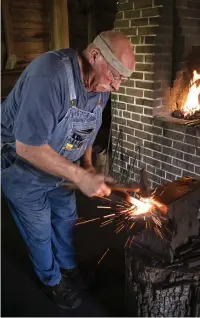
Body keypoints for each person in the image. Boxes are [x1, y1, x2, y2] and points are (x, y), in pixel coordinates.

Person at [1, 30, 135, 309]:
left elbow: (87, 129)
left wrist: (86, 166)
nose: (117, 86)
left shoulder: (100, 88)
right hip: (19, 161)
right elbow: (28, 147)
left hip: (62, 164)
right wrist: (79, 177)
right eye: (116, 76)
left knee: (66, 217)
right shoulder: (49, 76)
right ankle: (51, 280)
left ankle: (68, 266)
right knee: (39, 229)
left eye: (122, 79)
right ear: (95, 55)